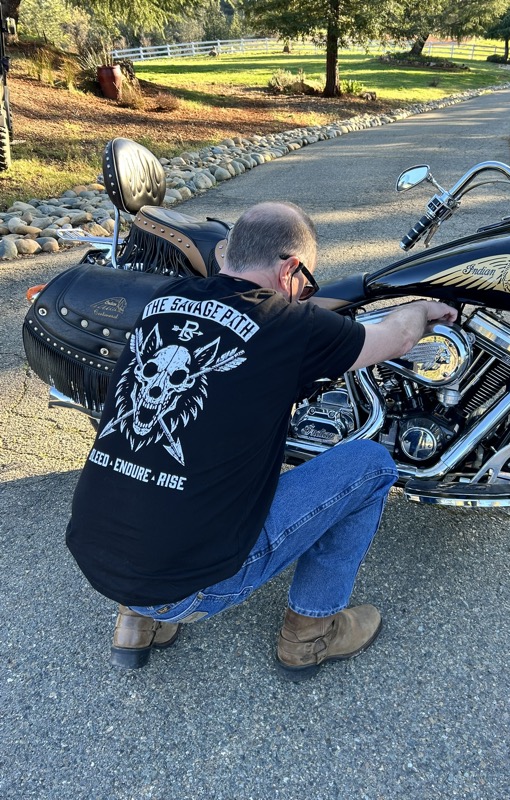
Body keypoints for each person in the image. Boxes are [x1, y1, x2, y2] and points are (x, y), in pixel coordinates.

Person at [66, 201, 457, 681]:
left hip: (97, 558)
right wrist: (420, 308)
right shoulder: (288, 326)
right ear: (291, 267)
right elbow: (394, 339)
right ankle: (309, 635)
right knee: (371, 464)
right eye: (305, 284)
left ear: (230, 252)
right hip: (193, 586)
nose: (304, 295)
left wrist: (305, 303)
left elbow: (259, 314)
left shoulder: (163, 302)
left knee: (161, 460)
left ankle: (137, 622)